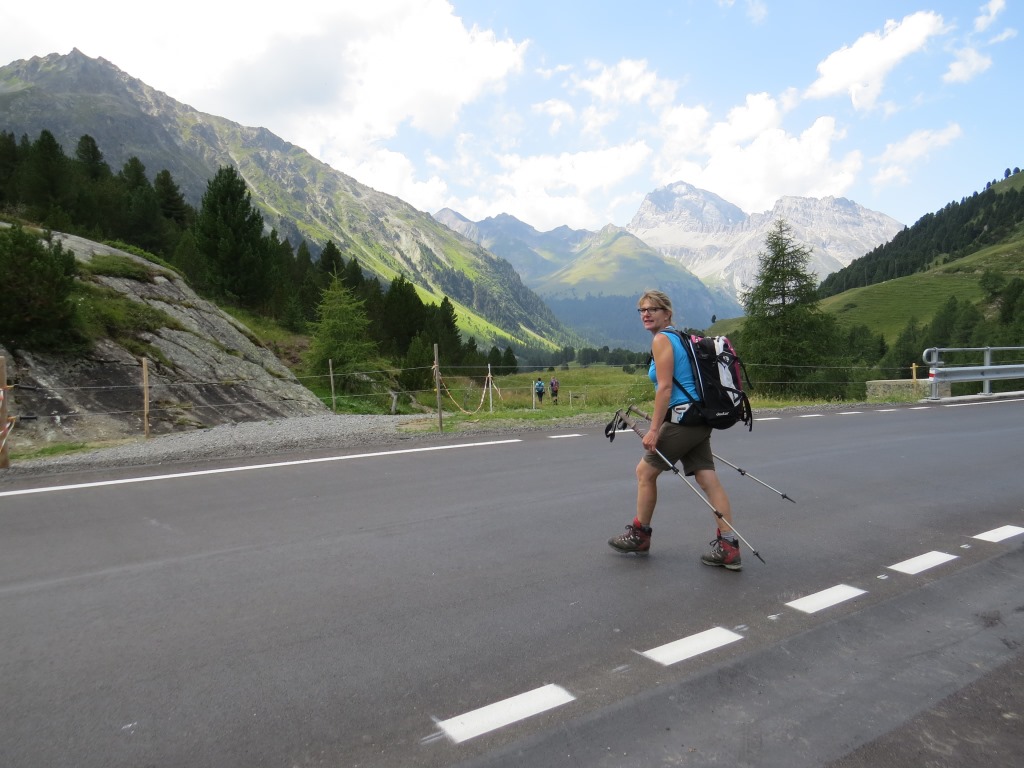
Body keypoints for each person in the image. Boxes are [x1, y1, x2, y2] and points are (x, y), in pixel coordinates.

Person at [607, 289, 742, 570]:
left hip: (683, 419)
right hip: (700, 418)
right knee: (707, 479)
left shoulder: (662, 340)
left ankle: (640, 535)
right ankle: (729, 547)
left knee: (644, 472)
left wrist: (654, 429)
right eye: (642, 310)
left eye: (652, 309)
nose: (645, 314)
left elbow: (665, 388)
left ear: (667, 313)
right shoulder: (680, 338)